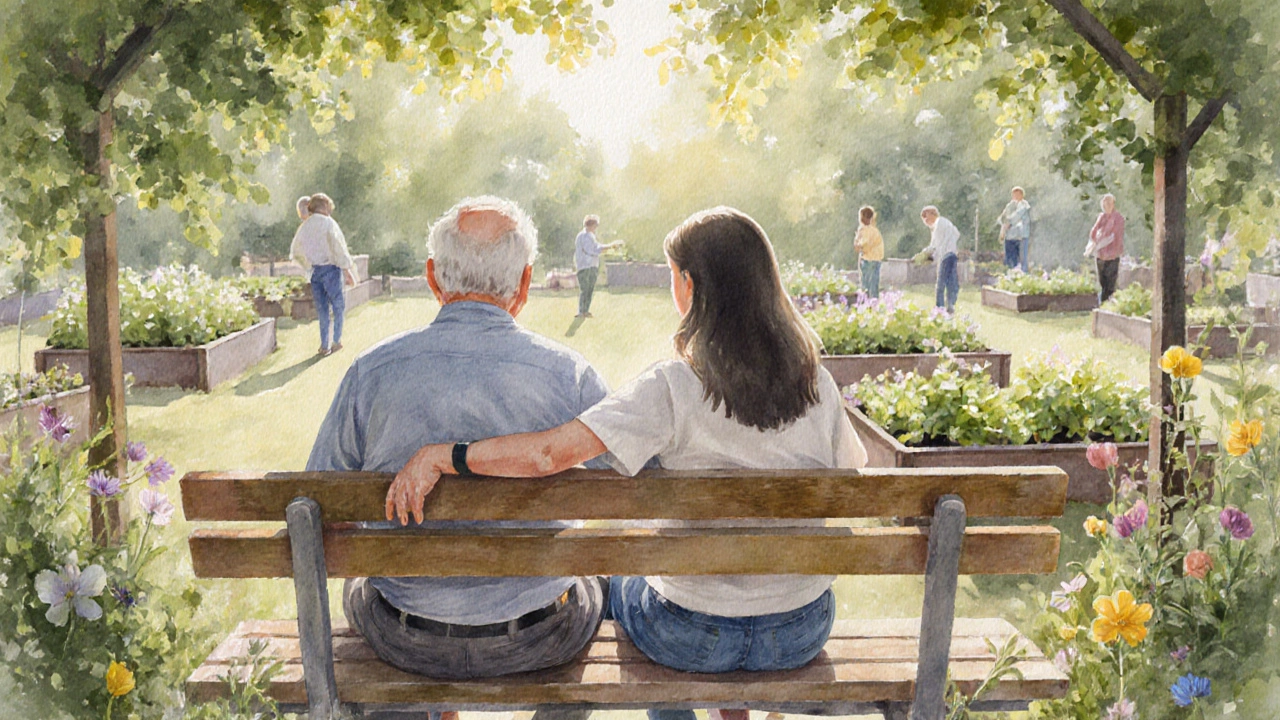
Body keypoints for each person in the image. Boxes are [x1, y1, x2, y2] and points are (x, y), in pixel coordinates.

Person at [390, 206, 867, 720]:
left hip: (691, 635)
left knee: (617, 588)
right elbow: (850, 473)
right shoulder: (816, 383)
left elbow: (549, 453)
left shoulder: (674, 386)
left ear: (689, 284)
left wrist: (450, 454)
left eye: (671, 277)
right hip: (798, 629)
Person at [308, 196, 610, 720]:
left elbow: (313, 501)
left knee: (366, 586)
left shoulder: (371, 372)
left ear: (433, 277)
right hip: (539, 635)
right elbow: (626, 474)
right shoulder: (571, 375)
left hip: (407, 638)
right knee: (597, 582)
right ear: (524, 284)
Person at [290, 193, 357, 356]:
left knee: (322, 311)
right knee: (338, 306)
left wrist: (309, 266)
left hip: (316, 273)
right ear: (324, 206)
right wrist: (347, 270)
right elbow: (338, 249)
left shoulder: (304, 227)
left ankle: (324, 345)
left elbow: (295, 252)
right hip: (331, 270)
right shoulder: (329, 223)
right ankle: (336, 341)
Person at [574, 215, 622, 318]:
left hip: (591, 266)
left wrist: (609, 247)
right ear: (590, 225)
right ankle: (581, 311)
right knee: (585, 289)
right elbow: (593, 250)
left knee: (590, 289)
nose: (596, 228)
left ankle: (585, 311)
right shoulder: (585, 236)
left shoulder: (590, 236)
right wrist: (610, 246)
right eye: (595, 226)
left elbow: (596, 248)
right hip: (585, 266)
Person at [916, 206, 961, 312]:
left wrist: (923, 255)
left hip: (944, 256)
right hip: (952, 254)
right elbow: (957, 233)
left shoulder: (938, 224)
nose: (926, 222)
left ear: (932, 214)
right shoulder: (946, 223)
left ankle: (939, 308)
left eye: (926, 218)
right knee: (951, 282)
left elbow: (934, 245)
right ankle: (950, 305)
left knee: (941, 283)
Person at [1086, 193, 1126, 303]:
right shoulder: (1101, 217)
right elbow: (1093, 233)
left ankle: (1106, 305)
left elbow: (1116, 236)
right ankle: (1103, 305)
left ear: (1113, 204)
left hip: (1112, 255)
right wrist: (1098, 235)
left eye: (1109, 202)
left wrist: (1102, 236)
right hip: (1101, 255)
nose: (1106, 205)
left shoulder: (1118, 218)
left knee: (1110, 284)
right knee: (1103, 283)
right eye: (1104, 202)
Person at [998, 187, 1032, 271]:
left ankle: (1023, 276)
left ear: (1021, 195)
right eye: (1014, 194)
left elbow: (1017, 216)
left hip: (1021, 236)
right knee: (1010, 258)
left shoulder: (1024, 205)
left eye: (1017, 194)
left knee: (1022, 258)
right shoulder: (1010, 205)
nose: (1015, 196)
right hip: (1010, 236)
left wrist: (1008, 223)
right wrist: (1003, 225)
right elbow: (1002, 217)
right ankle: (1011, 275)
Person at [853, 205, 884, 298]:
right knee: (873, 283)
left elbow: (864, 245)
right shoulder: (873, 230)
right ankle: (872, 303)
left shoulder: (866, 230)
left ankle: (868, 303)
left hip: (869, 260)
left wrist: (858, 245)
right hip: (875, 260)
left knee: (866, 284)